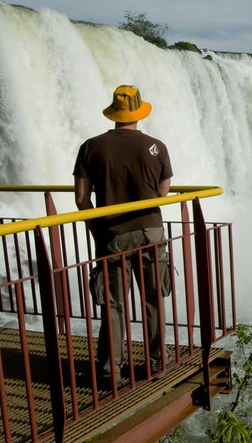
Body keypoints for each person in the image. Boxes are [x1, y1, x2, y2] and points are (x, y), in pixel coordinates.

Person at [73, 84, 173, 385]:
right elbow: (162, 192)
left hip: (113, 234)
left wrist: (98, 231)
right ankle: (157, 364)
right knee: (154, 299)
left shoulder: (91, 147)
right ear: (139, 114)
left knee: (113, 304)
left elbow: (81, 198)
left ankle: (110, 371)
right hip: (151, 232)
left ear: (114, 114)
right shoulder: (156, 146)